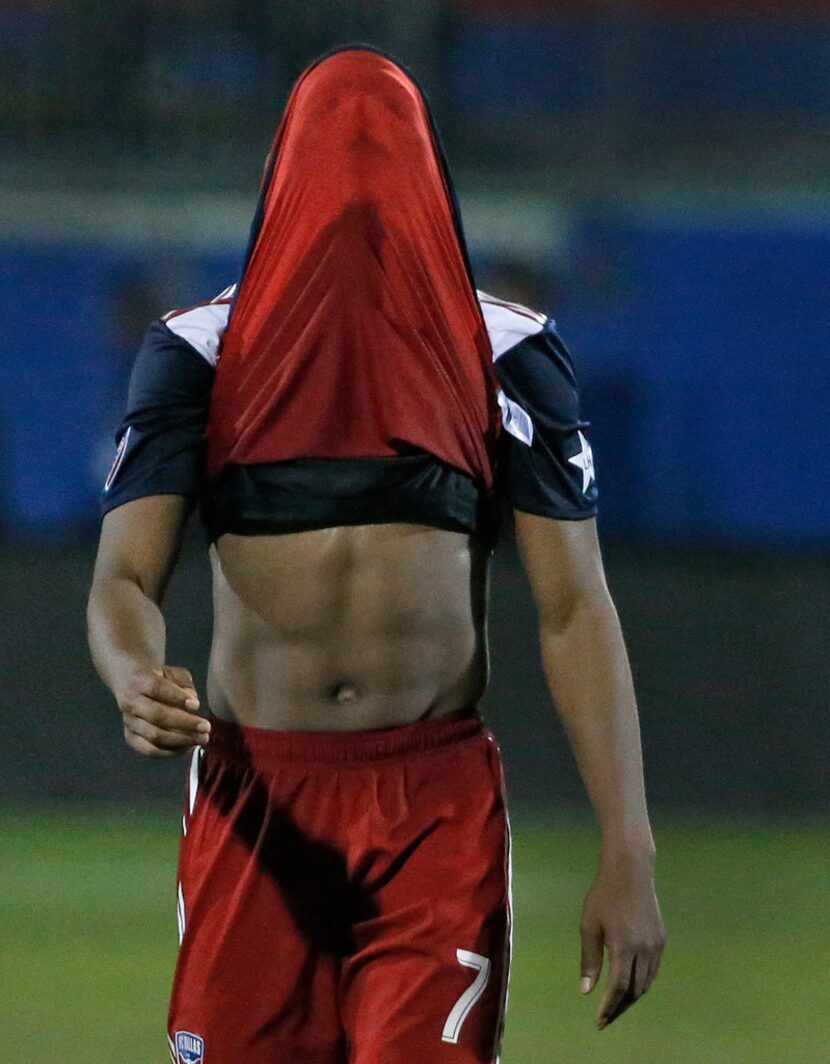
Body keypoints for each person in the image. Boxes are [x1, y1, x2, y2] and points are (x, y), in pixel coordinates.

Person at [87, 46, 664, 1064]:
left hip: (429, 803)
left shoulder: (507, 351)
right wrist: (133, 673)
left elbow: (575, 606)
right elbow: (124, 576)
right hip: (256, 792)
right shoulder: (198, 350)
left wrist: (628, 848)